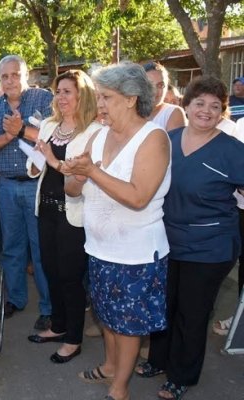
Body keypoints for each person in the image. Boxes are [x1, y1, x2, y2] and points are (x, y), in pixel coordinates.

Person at [63, 62, 171, 400]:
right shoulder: (98, 135)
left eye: (106, 97)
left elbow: (138, 196)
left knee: (128, 327)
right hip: (99, 248)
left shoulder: (154, 138)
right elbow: (71, 189)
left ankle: (119, 389)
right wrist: (77, 174)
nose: (101, 105)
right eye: (99, 97)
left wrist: (92, 172)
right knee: (108, 318)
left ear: (130, 98)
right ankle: (110, 367)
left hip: (136, 254)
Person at [137, 77, 244, 400]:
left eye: (215, 106)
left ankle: (182, 375)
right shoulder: (166, 140)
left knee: (192, 312)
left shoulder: (232, 150)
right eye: (199, 103)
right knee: (164, 305)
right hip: (166, 240)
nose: (206, 111)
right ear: (186, 105)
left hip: (211, 246)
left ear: (222, 112)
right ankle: (158, 360)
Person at [25, 70, 101, 364]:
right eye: (58, 92)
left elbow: (79, 173)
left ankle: (73, 339)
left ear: (82, 95)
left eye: (67, 91)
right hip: (45, 207)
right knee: (50, 270)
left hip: (74, 213)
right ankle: (58, 326)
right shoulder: (48, 124)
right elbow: (37, 165)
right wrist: (35, 162)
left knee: (70, 277)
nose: (61, 97)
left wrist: (52, 159)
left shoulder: (94, 131)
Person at [0, 54, 53, 330]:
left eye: (15, 74)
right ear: (0, 79)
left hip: (37, 185)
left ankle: (48, 307)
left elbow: (56, 136)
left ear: (26, 74)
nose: (10, 80)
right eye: (5, 76)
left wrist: (22, 130)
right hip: (6, 185)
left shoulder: (44, 99)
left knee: (41, 248)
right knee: (12, 247)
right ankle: (16, 299)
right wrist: (8, 137)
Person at [143, 61, 186, 132]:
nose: (155, 91)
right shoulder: (130, 111)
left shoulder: (172, 113)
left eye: (160, 85)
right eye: (149, 85)